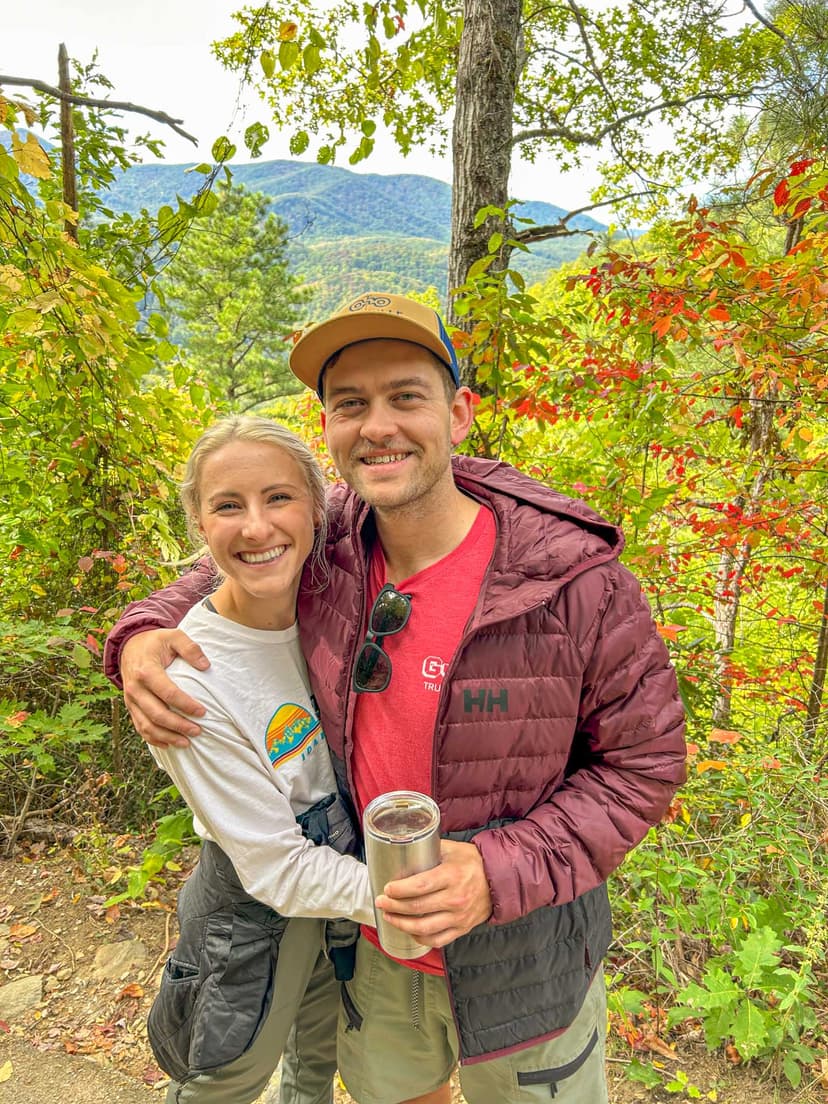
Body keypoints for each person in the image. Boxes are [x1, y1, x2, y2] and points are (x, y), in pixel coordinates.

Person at [105, 292, 687, 1104]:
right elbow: (233, 559)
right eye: (351, 405)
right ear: (330, 432)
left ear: (458, 413)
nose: (377, 425)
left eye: (405, 397)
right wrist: (139, 631)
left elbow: (644, 767)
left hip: (525, 962)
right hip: (376, 957)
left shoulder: (572, 584)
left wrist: (495, 869)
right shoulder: (331, 542)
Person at [136, 415, 375, 1104]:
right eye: (228, 506)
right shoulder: (190, 680)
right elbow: (274, 867)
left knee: (315, 1057)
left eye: (278, 498)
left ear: (316, 509)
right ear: (199, 526)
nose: (256, 527)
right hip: (253, 905)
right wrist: (412, 903)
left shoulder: (330, 608)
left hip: (337, 884)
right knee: (227, 1073)